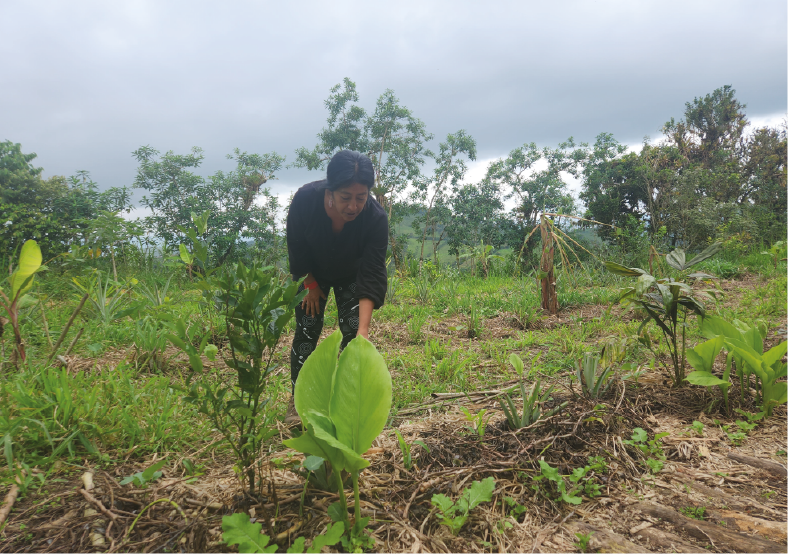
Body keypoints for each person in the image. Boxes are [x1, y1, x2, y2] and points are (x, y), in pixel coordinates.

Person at [284, 150, 388, 425]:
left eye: (361, 198)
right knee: (307, 329)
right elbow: (296, 244)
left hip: (350, 275)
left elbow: (372, 271)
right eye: (345, 197)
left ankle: (344, 401)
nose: (353, 206)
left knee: (354, 335)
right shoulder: (306, 200)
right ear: (330, 190)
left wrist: (363, 332)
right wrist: (310, 283)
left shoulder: (375, 218)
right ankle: (298, 401)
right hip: (310, 271)